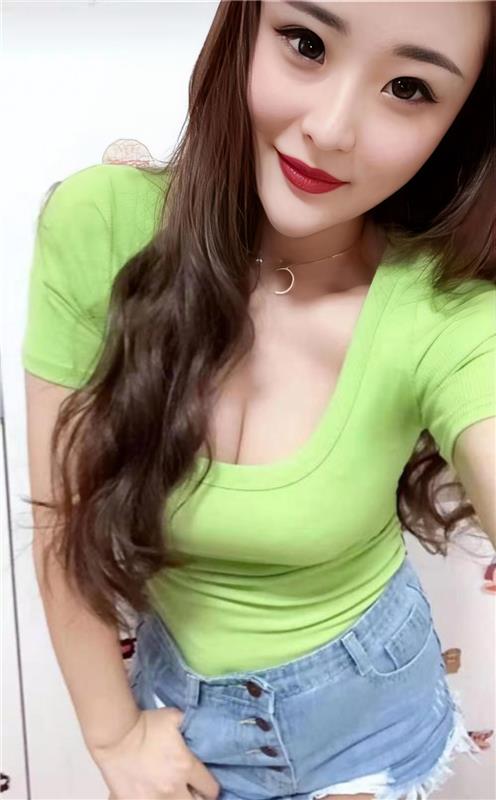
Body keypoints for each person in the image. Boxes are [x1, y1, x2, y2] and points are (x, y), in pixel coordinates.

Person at [22, 2, 495, 799]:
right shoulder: (100, 226)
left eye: (410, 88)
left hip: (372, 720)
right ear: (242, 28)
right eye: (305, 42)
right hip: (181, 715)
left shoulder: (449, 315)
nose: (331, 129)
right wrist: (114, 736)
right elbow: (62, 515)